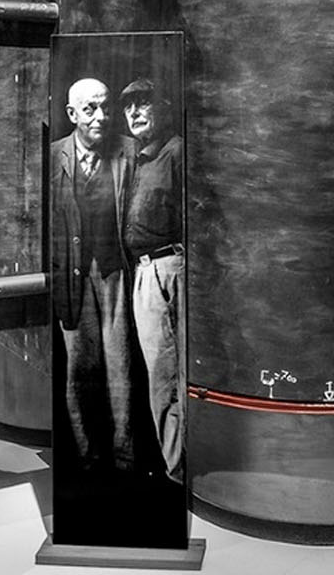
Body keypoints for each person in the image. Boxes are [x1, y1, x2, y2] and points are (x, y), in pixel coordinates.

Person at [50, 77, 140, 472]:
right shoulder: (52, 157)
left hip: (115, 271)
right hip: (70, 278)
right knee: (79, 368)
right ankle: (87, 455)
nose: (101, 116)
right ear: (72, 114)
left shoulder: (130, 151)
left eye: (105, 107)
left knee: (120, 365)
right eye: (90, 109)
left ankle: (125, 454)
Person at [120, 78, 186, 483]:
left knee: (172, 372)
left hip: (172, 267)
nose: (135, 112)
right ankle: (175, 464)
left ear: (162, 106)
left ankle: (181, 468)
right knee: (159, 374)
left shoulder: (176, 152)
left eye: (143, 103)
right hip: (144, 273)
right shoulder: (135, 159)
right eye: (129, 106)